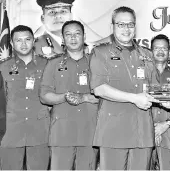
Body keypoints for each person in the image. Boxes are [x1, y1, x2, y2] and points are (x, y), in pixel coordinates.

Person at [89, 6, 159, 170]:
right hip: (114, 132)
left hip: (142, 131)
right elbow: (99, 88)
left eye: (130, 24)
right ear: (112, 26)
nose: (126, 29)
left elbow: (155, 89)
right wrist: (134, 98)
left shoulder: (147, 55)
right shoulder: (101, 52)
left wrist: (168, 101)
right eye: (121, 24)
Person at [39, 20, 98, 170]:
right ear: (63, 39)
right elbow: (44, 95)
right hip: (62, 133)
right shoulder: (53, 64)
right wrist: (63, 97)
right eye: (68, 34)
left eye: (77, 34)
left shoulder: (97, 64)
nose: (73, 38)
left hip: (91, 132)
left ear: (84, 37)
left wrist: (84, 97)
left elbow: (107, 94)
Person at [0, 25, 50, 170]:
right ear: (11, 43)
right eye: (18, 40)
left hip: (41, 130)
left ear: (34, 41)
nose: (23, 44)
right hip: (10, 132)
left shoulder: (47, 64)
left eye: (27, 39)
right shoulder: (2, 67)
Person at [150, 34, 170, 170]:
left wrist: (165, 125)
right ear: (151, 51)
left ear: (169, 52)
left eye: (164, 48)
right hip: (145, 134)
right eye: (156, 48)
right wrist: (152, 129)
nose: (160, 51)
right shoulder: (143, 74)